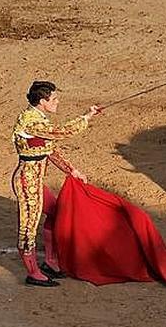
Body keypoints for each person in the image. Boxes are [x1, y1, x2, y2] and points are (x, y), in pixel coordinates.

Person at [12, 81, 102, 287]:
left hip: (35, 180)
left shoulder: (38, 119)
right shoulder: (30, 121)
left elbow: (51, 150)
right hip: (27, 182)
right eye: (53, 99)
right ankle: (33, 273)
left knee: (55, 213)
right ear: (43, 101)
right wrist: (87, 116)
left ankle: (51, 262)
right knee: (27, 228)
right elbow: (61, 132)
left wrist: (72, 170)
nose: (57, 102)